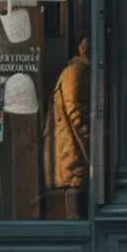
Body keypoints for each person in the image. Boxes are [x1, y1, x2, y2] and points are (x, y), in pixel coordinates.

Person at [46, 36, 91, 219]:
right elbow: (75, 110)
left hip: (71, 143)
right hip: (72, 144)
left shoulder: (78, 69)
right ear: (81, 47)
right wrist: (89, 135)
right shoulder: (77, 71)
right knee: (74, 188)